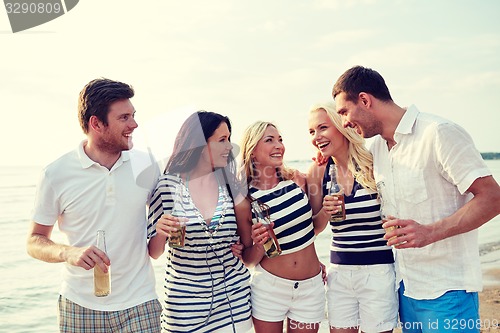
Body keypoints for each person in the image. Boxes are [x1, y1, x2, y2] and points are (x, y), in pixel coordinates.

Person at [332, 65, 500, 333]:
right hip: (405, 290)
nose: (344, 122)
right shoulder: (377, 149)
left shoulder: (438, 133)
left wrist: (430, 232)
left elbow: (493, 198)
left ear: (365, 100)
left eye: (344, 112)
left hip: (448, 292)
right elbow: (344, 161)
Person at [27, 78, 162, 332]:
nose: (134, 124)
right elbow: (34, 240)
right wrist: (69, 252)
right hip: (79, 306)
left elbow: (165, 228)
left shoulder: (148, 166)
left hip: (140, 302)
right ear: (96, 123)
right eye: (124, 118)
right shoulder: (56, 174)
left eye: (133, 115)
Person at [147, 111, 252, 333]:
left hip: (234, 299)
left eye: (229, 139)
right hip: (185, 306)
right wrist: (160, 231)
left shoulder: (230, 185)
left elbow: (246, 241)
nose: (229, 147)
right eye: (221, 140)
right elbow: (154, 252)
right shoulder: (167, 186)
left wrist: (243, 248)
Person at [307, 102, 397, 333]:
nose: (316, 137)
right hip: (339, 273)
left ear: (341, 126)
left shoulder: (374, 162)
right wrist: (325, 213)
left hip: (378, 271)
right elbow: (314, 229)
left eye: (323, 128)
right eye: (311, 132)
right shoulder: (318, 172)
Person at [237, 121, 325, 333]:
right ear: (253, 152)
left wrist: (323, 167)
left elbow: (312, 228)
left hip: (310, 288)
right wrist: (259, 245)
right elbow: (248, 259)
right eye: (270, 140)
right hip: (270, 289)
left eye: (280, 140)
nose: (279, 145)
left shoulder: (298, 180)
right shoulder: (244, 200)